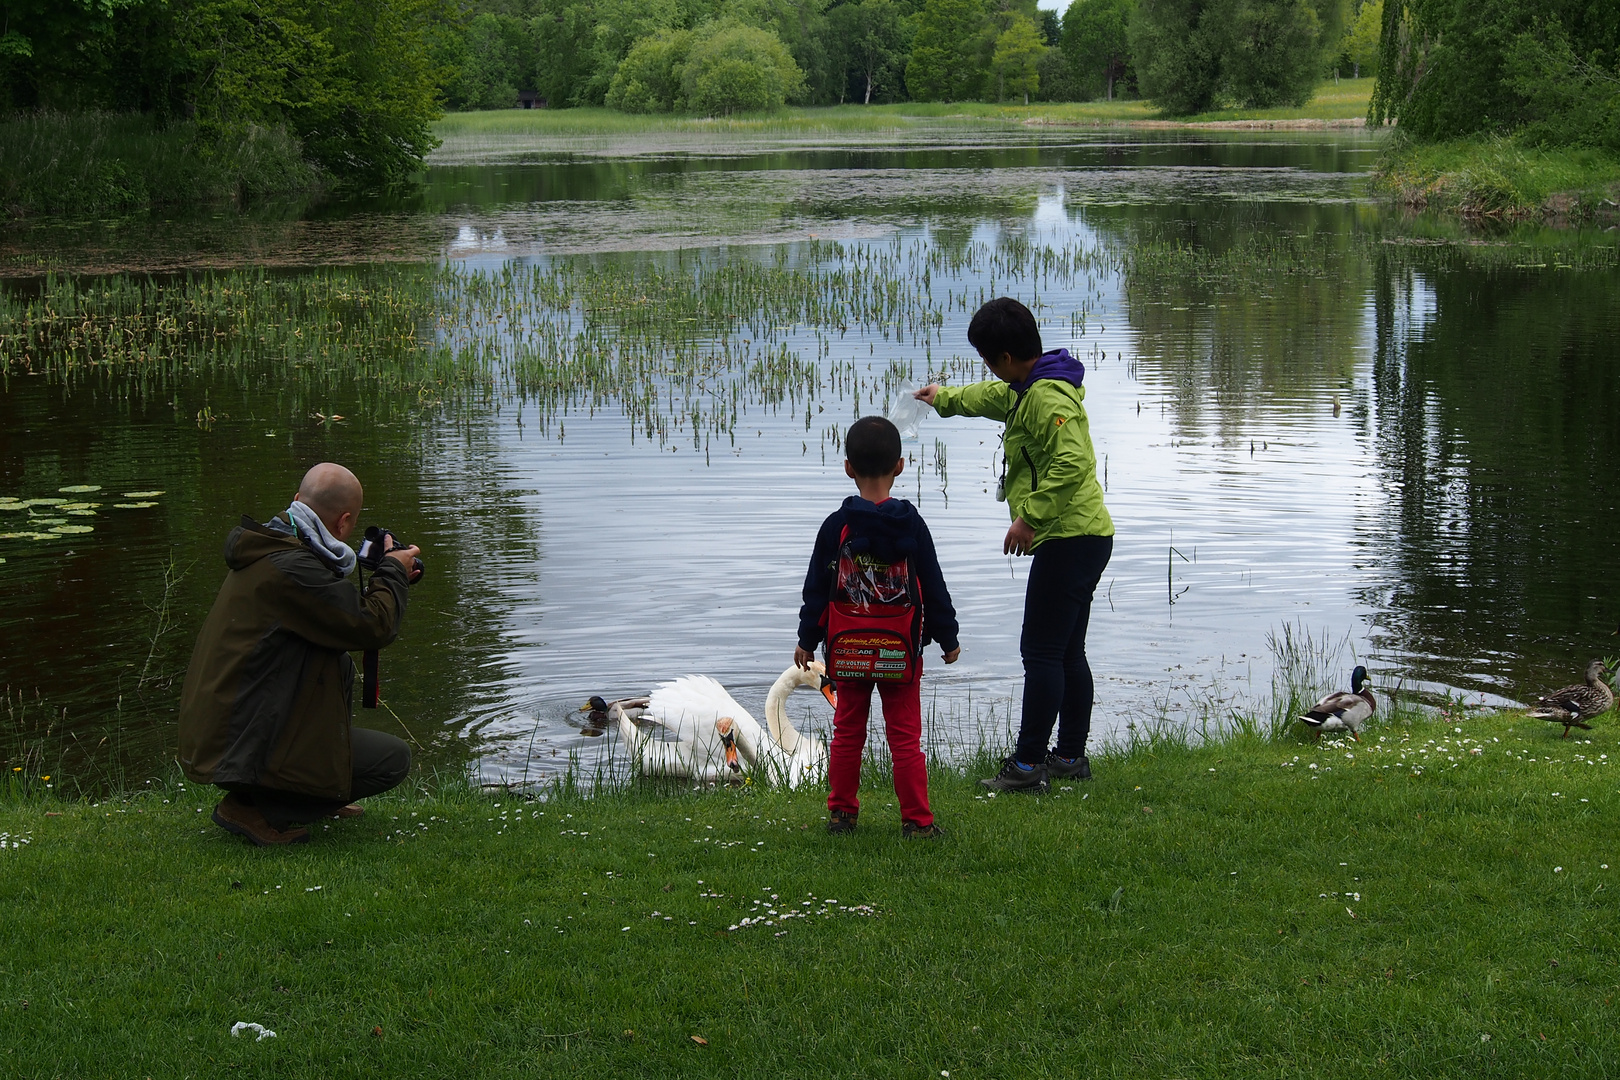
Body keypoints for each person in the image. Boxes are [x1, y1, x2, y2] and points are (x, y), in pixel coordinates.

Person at [915, 297, 1113, 793]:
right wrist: (943, 398)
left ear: (1005, 358)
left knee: (1041, 652)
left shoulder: (1048, 398)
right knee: (1067, 651)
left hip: (1070, 537)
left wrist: (1029, 518)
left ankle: (1027, 767)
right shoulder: (1028, 388)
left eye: (987, 358)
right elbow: (987, 398)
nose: (987, 369)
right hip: (1083, 535)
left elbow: (1074, 463)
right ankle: (1069, 757)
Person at [178, 462, 423, 846]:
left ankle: (314, 791)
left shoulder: (273, 546)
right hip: (237, 743)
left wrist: (384, 577)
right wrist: (391, 570)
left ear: (297, 501)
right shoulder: (292, 568)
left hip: (228, 730)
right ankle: (257, 809)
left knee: (337, 661)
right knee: (391, 760)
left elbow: (335, 618)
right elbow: (372, 626)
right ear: (343, 522)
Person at [795, 415, 961, 838]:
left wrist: (807, 639)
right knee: (905, 737)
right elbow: (934, 583)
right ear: (900, 466)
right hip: (900, 650)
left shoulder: (836, 526)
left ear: (848, 467)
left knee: (848, 731)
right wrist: (948, 635)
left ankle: (842, 816)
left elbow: (817, 588)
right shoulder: (912, 524)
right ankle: (918, 822)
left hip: (847, 649)